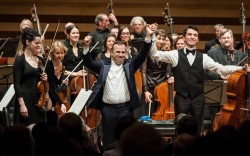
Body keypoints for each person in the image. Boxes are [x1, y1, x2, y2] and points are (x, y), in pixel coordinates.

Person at [150, 25, 247, 134]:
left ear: (198, 39)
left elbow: (222, 69)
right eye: (190, 34)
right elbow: (154, 54)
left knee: (198, 129)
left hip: (198, 98)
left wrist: (240, 68)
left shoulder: (204, 57)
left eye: (195, 35)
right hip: (181, 97)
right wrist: (152, 37)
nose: (192, 37)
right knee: (180, 129)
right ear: (184, 37)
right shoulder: (175, 54)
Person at [82, 23, 156, 150]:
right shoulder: (103, 66)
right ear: (111, 52)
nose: (121, 55)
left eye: (123, 52)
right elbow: (88, 62)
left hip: (125, 109)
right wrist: (85, 48)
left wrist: (148, 36)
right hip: (107, 109)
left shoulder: (129, 66)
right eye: (118, 52)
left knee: (126, 139)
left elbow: (142, 55)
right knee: (109, 140)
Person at [13, 28, 48, 126]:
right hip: (25, 100)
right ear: (28, 42)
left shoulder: (40, 59)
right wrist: (22, 105)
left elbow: (44, 82)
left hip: (39, 100)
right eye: (36, 43)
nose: (39, 45)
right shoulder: (20, 60)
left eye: (40, 43)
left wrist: (45, 78)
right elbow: (17, 85)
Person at [140, 29, 172, 117]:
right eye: (159, 38)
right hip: (149, 87)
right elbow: (143, 72)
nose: (161, 41)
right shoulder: (147, 52)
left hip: (162, 89)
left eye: (163, 39)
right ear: (155, 39)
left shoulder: (167, 53)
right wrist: (145, 90)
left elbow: (168, 72)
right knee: (147, 116)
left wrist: (170, 77)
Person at [45, 41, 68, 126]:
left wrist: (63, 82)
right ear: (53, 54)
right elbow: (52, 87)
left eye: (62, 53)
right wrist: (61, 103)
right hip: (49, 97)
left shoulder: (63, 65)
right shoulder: (49, 66)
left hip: (56, 95)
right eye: (57, 53)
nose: (60, 55)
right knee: (51, 122)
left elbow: (57, 84)